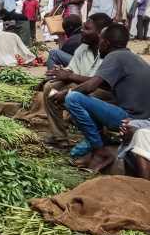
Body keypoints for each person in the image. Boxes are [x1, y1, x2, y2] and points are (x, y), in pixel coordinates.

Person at [63, 23, 150, 172]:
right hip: (141, 116)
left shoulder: (115, 56)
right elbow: (104, 86)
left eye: (100, 40)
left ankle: (99, 150)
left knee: (73, 99)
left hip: (132, 118)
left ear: (106, 43)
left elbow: (90, 86)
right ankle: (100, 146)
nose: (99, 44)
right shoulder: (130, 56)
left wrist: (65, 93)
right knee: (88, 100)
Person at [43, 13, 112, 148]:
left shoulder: (110, 53)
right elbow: (72, 70)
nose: (81, 31)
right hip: (82, 86)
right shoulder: (82, 48)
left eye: (87, 29)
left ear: (100, 33)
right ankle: (60, 137)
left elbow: (99, 83)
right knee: (50, 89)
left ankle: (97, 138)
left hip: (103, 91)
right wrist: (61, 72)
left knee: (77, 96)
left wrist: (69, 78)